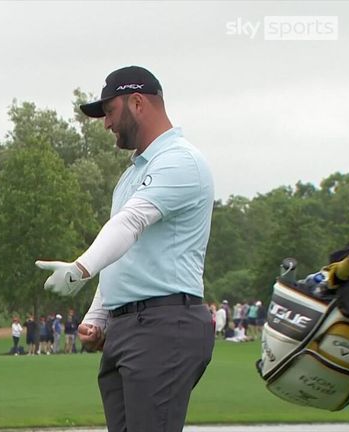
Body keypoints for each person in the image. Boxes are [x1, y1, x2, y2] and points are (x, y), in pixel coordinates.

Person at [36, 66, 214, 432]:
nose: (105, 124)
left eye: (110, 111)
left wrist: (79, 269)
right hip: (129, 328)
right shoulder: (131, 175)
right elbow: (123, 252)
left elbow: (128, 224)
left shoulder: (180, 160)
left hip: (165, 325)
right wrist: (98, 316)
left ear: (137, 102)